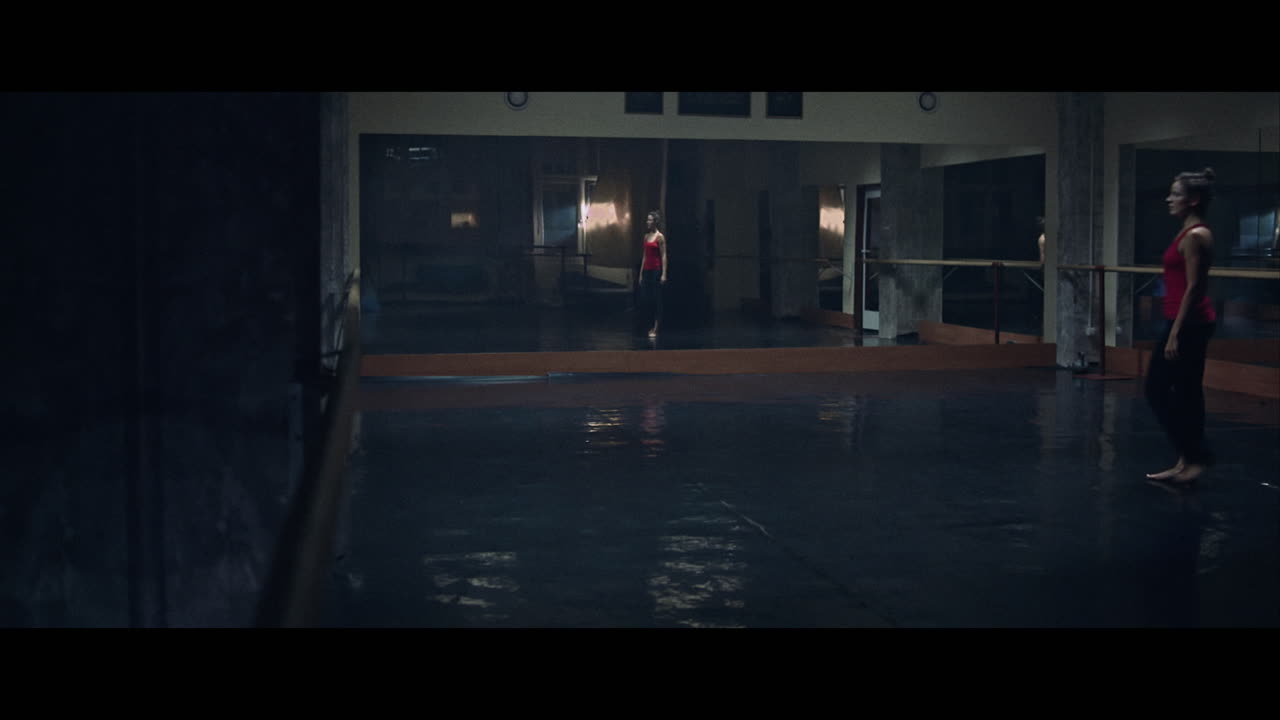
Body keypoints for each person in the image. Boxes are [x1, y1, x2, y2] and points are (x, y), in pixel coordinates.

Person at [1145, 168, 1217, 485]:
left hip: (1189, 322)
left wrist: (1175, 331)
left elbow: (1194, 288)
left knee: (1157, 388)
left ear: (1193, 199)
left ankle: (1197, 456)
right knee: (1186, 391)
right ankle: (1186, 460)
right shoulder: (1185, 234)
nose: (1169, 199)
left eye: (1175, 194)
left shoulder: (1196, 236)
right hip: (1181, 319)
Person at [637, 210, 668, 338]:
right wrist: (640, 273)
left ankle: (656, 328)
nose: (647, 222)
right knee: (646, 299)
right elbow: (644, 256)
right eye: (647, 219)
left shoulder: (660, 237)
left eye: (650, 220)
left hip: (656, 271)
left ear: (655, 222)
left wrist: (664, 274)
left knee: (657, 299)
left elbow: (664, 255)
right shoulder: (646, 237)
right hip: (647, 271)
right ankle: (649, 325)